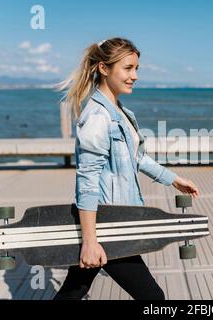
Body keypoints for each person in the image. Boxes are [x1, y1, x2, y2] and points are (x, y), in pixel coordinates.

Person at [53, 37, 200, 300]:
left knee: (74, 290)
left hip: (118, 220)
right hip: (107, 225)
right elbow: (86, 181)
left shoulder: (121, 113)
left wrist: (174, 179)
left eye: (136, 69)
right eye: (128, 68)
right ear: (104, 69)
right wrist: (90, 240)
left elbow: (138, 158)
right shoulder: (98, 118)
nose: (134, 76)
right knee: (154, 299)